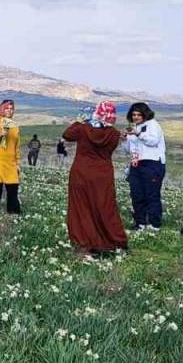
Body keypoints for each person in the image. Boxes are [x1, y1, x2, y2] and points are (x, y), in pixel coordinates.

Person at [63, 102, 128, 255]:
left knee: (81, 208)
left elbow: (67, 134)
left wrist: (79, 121)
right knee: (105, 207)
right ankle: (116, 241)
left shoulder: (83, 128)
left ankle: (84, 244)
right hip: (103, 175)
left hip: (81, 173)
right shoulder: (114, 134)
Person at [124, 102, 167, 231]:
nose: (136, 117)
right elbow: (128, 149)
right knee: (136, 194)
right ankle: (140, 223)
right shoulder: (135, 128)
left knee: (151, 194)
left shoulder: (153, 125)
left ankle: (154, 224)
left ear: (145, 114)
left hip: (152, 163)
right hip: (136, 163)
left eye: (138, 114)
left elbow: (153, 141)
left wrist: (138, 134)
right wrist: (124, 139)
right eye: (133, 115)